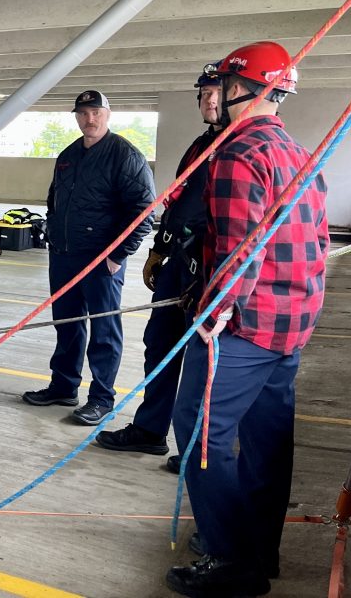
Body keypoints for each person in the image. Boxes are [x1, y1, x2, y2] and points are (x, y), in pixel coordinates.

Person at [167, 42, 328, 598]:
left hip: (245, 329)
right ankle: (261, 550)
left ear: (243, 89)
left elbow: (241, 246)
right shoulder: (298, 151)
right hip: (291, 324)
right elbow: (317, 241)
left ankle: (231, 559)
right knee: (268, 437)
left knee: (200, 430)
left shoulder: (238, 152)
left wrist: (216, 307)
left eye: (225, 86)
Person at [97, 65, 223, 466]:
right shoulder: (201, 144)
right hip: (180, 262)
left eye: (217, 93)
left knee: (203, 361)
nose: (210, 100)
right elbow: (179, 203)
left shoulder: (238, 150)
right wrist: (159, 248)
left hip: (210, 268)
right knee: (160, 346)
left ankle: (196, 449)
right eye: (203, 93)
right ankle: (151, 429)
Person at [22, 89, 154, 425]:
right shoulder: (67, 156)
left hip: (101, 261)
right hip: (64, 255)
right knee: (67, 324)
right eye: (83, 113)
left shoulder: (125, 156)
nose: (89, 119)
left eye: (96, 112)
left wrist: (118, 256)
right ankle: (64, 386)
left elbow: (143, 211)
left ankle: (101, 398)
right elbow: (54, 202)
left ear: (107, 115)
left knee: (104, 330)